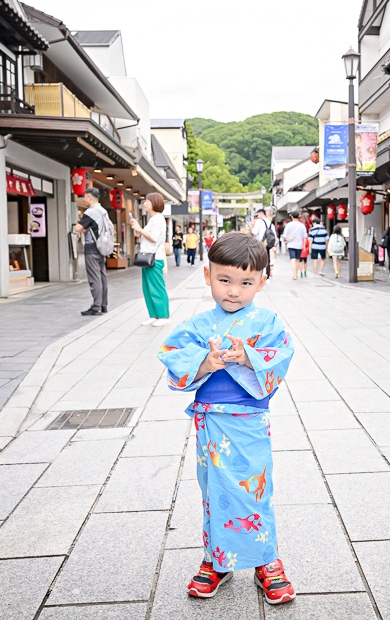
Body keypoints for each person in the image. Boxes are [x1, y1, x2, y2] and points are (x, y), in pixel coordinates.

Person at [157, 232, 296, 605]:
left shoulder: (267, 322)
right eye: (224, 280)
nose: (233, 291)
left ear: (262, 282)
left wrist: (249, 356)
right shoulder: (200, 325)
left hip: (249, 420)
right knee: (214, 491)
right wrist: (206, 362)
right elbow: (171, 352)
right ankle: (217, 559)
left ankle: (266, 560)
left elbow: (281, 354)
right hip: (211, 422)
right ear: (207, 275)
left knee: (254, 489)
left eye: (246, 282)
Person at [129, 192, 169, 327]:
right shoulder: (153, 219)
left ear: (155, 203)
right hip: (149, 258)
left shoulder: (158, 219)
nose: (145, 203)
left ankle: (163, 315)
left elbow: (154, 238)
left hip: (154, 259)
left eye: (147, 201)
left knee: (157, 288)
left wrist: (139, 229)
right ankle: (154, 315)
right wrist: (138, 229)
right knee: (147, 289)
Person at [73, 187, 112, 316]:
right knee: (102, 277)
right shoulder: (103, 211)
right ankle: (103, 305)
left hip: (92, 248)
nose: (84, 199)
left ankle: (96, 306)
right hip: (102, 248)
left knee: (94, 278)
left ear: (89, 197)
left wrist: (81, 227)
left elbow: (78, 228)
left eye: (85, 197)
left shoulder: (91, 212)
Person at [281, 211, 307, 280]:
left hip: (291, 245)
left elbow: (284, 235)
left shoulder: (288, 225)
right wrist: (304, 245)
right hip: (299, 245)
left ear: (292, 217)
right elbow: (305, 236)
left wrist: (284, 240)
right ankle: (296, 273)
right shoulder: (302, 225)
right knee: (298, 260)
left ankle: (294, 274)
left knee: (292, 259)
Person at [250, 208, 274, 279]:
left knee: (258, 258)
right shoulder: (270, 222)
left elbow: (254, 232)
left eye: (258, 214)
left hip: (260, 243)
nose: (257, 216)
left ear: (260, 213)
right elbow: (274, 234)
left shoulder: (259, 221)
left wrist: (251, 226)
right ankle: (267, 276)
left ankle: (259, 274)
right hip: (268, 243)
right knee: (267, 259)